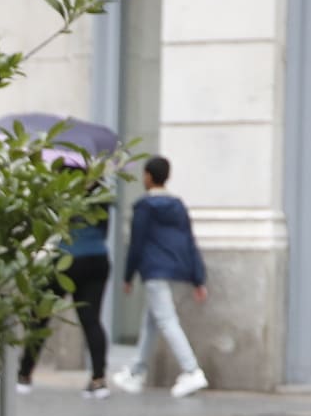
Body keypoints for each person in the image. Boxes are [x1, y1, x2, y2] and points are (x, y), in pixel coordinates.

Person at [114, 155, 210, 398]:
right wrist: (198, 278)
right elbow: (190, 242)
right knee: (151, 321)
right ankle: (137, 371)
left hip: (155, 271)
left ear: (148, 176)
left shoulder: (144, 207)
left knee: (166, 320)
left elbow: (136, 244)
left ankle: (191, 371)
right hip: (178, 271)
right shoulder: (178, 206)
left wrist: (127, 275)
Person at [22, 180, 114, 398]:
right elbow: (104, 229)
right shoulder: (102, 196)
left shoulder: (61, 192)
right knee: (91, 320)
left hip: (66, 258)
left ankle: (24, 374)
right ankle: (98, 379)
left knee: (40, 315)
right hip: (97, 257)